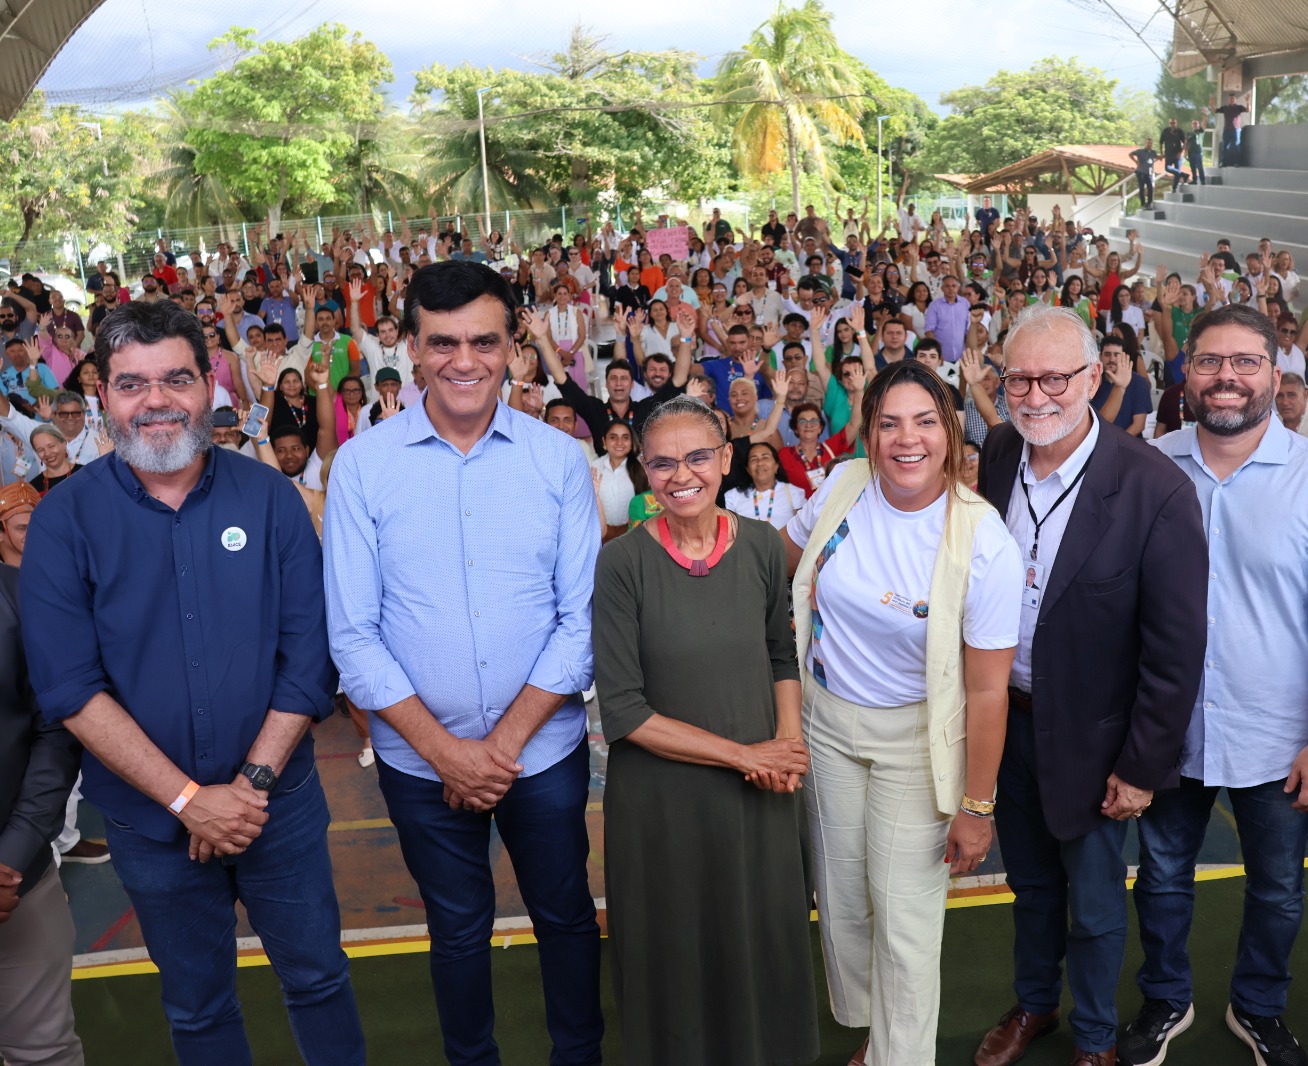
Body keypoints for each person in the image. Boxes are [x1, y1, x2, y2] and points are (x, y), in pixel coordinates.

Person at [18, 299, 363, 1065]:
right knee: (198, 1010)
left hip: (279, 808)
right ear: (102, 396)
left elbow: (309, 659)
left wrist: (247, 787)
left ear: (209, 385)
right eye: (132, 384)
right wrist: (188, 802)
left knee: (319, 980)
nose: (157, 401)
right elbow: (70, 689)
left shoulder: (271, 498)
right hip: (151, 826)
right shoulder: (63, 520)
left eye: (175, 378)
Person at [323, 260, 603, 1066]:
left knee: (566, 919)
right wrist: (450, 755)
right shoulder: (364, 467)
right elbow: (354, 635)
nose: (464, 360)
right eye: (442, 341)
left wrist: (499, 750)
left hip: (542, 755)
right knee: (455, 930)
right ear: (411, 347)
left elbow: (577, 623)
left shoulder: (557, 462)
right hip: (422, 763)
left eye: (484, 340)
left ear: (515, 347)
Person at [1124, 304, 1308, 1066]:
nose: (1225, 377)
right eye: (1209, 361)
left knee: (1278, 888)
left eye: (1244, 362)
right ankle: (1167, 998)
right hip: (1166, 731)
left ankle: (1258, 1007)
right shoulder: (1145, 468)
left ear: (1275, 372)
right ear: (1185, 372)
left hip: (1281, 735)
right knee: (1162, 878)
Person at [973, 304, 1207, 1066]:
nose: (1036, 395)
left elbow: (1176, 652)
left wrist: (1141, 768)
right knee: (1032, 884)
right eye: (1019, 379)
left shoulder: (1154, 488)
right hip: (1007, 723)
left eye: (1054, 378)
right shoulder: (1001, 452)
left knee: (1098, 904)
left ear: (1095, 376)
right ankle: (1036, 1003)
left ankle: (1098, 1038)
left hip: (1099, 739)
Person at [782, 360, 1023, 1066]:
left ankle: (900, 1057)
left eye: (924, 422)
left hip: (915, 743)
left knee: (906, 921)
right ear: (868, 433)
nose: (905, 439)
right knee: (845, 902)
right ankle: (874, 1034)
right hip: (825, 725)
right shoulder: (842, 487)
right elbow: (781, 565)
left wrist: (978, 806)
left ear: (950, 434)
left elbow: (987, 692)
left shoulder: (983, 541)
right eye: (888, 423)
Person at [592, 395, 818, 1066]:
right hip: (666, 807)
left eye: (697, 457)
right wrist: (746, 755)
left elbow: (781, 655)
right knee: (678, 955)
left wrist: (785, 748)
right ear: (642, 468)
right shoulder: (623, 563)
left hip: (762, 797)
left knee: (764, 942)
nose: (680, 474)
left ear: (725, 460)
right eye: (662, 462)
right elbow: (626, 713)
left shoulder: (757, 547)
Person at [0, 488, 85, 1066]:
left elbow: (55, 730)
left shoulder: (19, 601)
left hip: (16, 881)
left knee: (43, 1051)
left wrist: (12, 855)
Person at [725, 440, 806, 528]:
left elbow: (802, 529)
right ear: (748, 469)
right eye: (753, 459)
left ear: (776, 465)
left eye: (765, 458)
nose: (760, 463)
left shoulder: (794, 493)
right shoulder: (733, 496)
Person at [592, 420, 649, 542]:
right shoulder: (594, 467)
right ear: (604, 441)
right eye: (613, 437)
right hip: (601, 534)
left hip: (633, 533)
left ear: (631, 442)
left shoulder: (642, 468)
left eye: (625, 438)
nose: (619, 443)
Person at [1216, 93, 1248, 167]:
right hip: (1226, 129)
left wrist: (1248, 101)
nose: (1231, 100)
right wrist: (1211, 104)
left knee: (1237, 146)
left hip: (1236, 130)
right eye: (1230, 99)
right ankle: (1223, 163)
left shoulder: (1239, 107)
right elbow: (1215, 111)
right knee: (1225, 147)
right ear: (1228, 100)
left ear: (1235, 100)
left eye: (1233, 98)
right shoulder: (1225, 108)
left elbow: (1248, 110)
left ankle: (1237, 162)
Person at [1130, 138, 1158, 208]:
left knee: (1150, 188)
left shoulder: (1153, 152)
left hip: (1148, 173)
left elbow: (1157, 157)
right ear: (1145, 143)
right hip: (1140, 171)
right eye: (1148, 143)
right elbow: (1130, 154)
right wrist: (1136, 161)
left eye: (1150, 143)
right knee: (1142, 188)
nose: (1149, 144)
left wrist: (1164, 156)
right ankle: (1143, 204)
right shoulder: (1140, 151)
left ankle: (1149, 203)